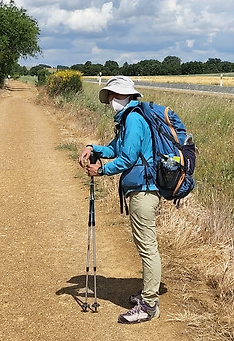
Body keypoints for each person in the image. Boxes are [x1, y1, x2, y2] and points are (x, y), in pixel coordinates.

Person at [78, 75, 161, 324]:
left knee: (147, 247)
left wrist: (101, 170)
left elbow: (128, 158)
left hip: (144, 191)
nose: (111, 100)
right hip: (141, 189)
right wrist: (93, 148)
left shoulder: (133, 119)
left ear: (126, 96)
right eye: (110, 96)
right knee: (144, 245)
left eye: (114, 95)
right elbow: (115, 149)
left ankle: (149, 305)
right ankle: (147, 295)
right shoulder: (128, 119)